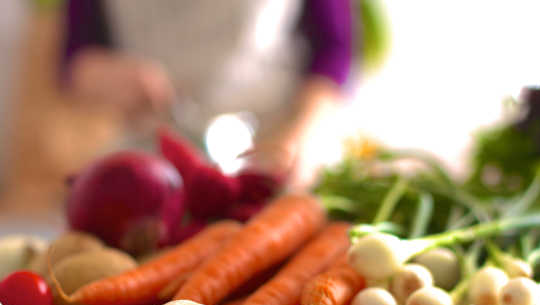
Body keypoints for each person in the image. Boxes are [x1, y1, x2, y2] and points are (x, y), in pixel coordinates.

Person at [60, 0, 358, 188]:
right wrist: (107, 76)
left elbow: (336, 48)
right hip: (153, 158)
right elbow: (72, 60)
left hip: (275, 147)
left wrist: (302, 133)